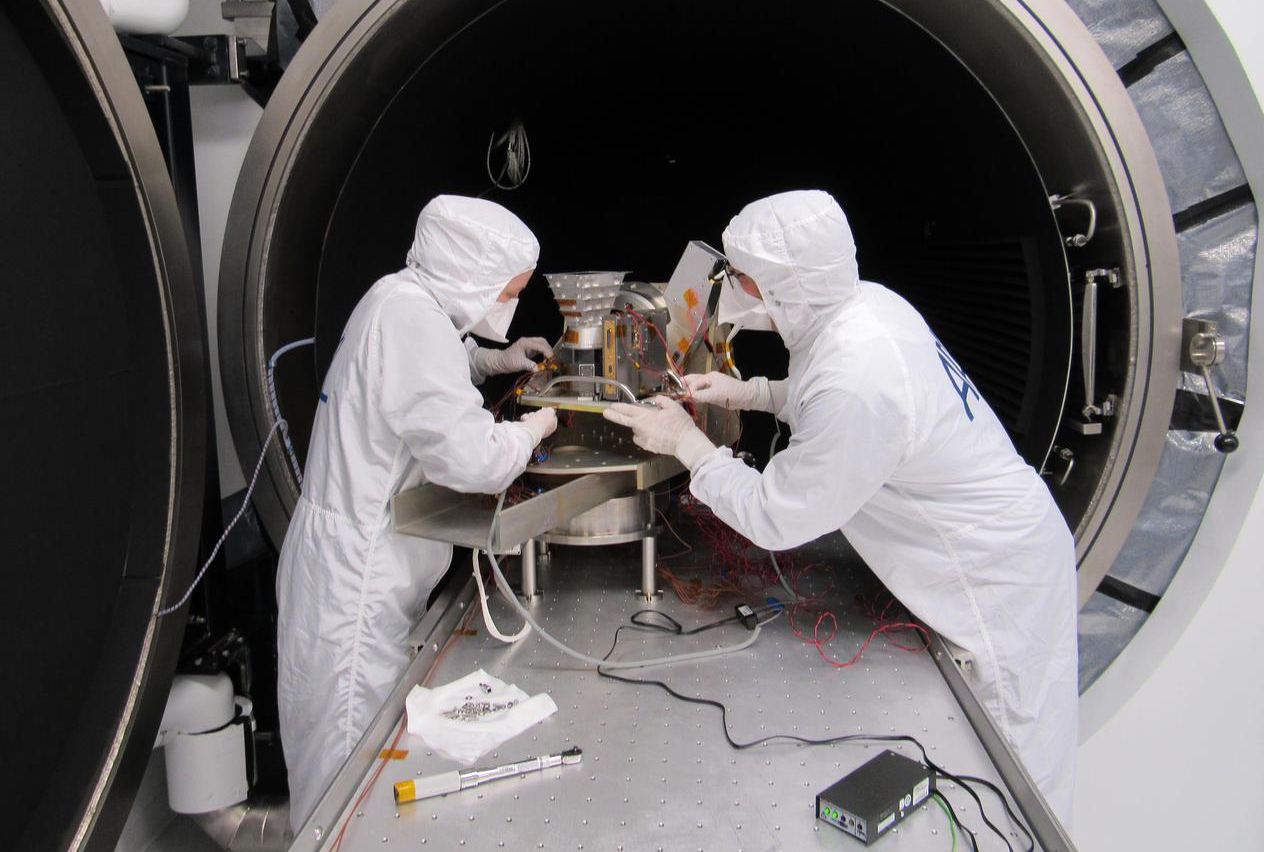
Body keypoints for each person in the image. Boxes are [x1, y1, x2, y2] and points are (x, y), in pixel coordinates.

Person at [603, 190, 1078, 823]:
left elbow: (777, 516)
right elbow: (816, 389)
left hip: (992, 576)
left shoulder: (861, 373)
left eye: (741, 279)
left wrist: (688, 446)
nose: (732, 291)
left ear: (787, 284)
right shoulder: (865, 306)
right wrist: (751, 393)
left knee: (1010, 769)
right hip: (1002, 539)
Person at [276, 195, 559, 831]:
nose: (507, 304)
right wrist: (534, 428)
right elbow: (475, 461)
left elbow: (435, 368)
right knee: (345, 784)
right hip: (356, 587)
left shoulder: (399, 298)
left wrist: (498, 358)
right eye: (506, 291)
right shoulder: (410, 320)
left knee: (360, 767)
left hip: (356, 561)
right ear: (470, 273)